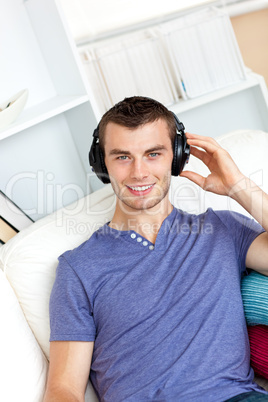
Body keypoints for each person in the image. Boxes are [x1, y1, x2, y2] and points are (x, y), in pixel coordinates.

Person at [44, 96, 268, 402]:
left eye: (153, 154)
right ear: (101, 164)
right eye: (122, 157)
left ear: (176, 157)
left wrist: (237, 185)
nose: (138, 172)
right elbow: (64, 388)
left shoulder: (223, 229)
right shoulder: (78, 268)